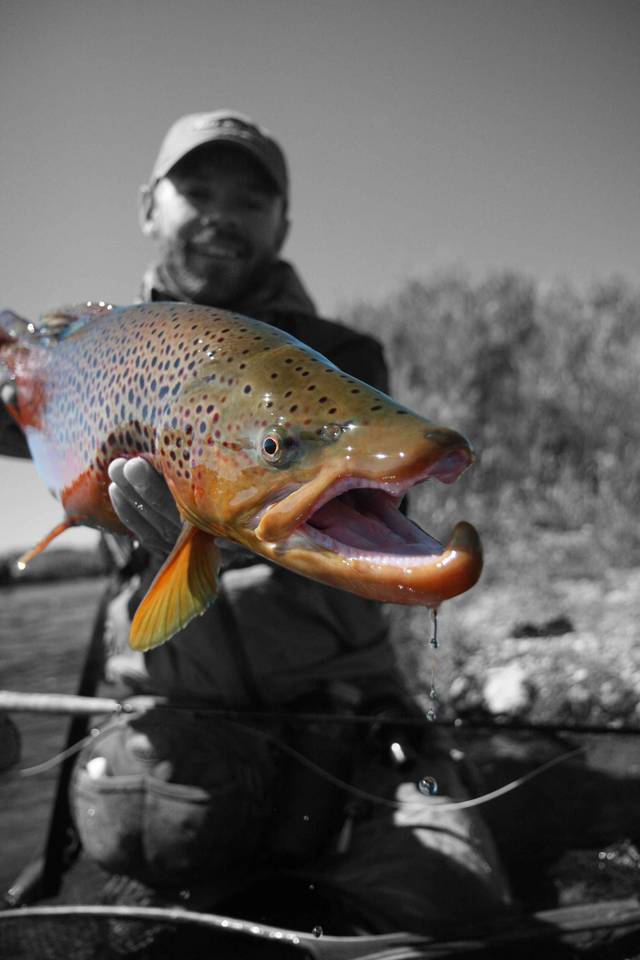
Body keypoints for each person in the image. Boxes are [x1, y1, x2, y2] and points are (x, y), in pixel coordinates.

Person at [1, 111, 510, 936]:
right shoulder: (75, 362)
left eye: (249, 199)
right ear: (147, 207)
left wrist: (244, 495)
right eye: (196, 191)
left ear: (282, 223)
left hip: (345, 711)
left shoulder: (341, 354)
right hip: (177, 716)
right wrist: (18, 376)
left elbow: (363, 497)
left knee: (456, 906)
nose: (221, 215)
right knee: (131, 836)